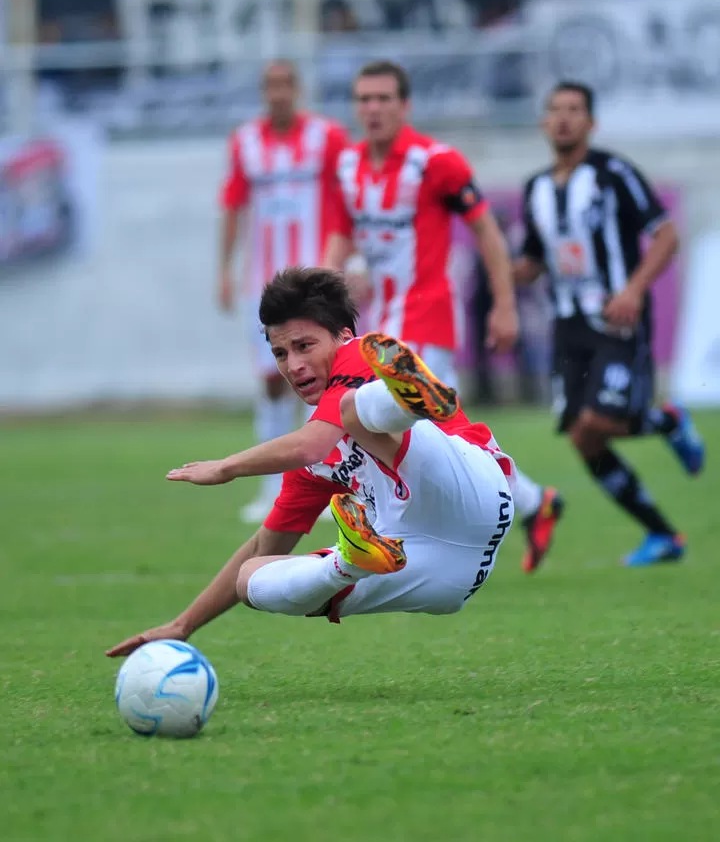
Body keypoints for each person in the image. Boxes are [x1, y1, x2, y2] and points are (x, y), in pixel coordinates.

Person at [106, 268, 515, 658]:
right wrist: (183, 626)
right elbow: (264, 544)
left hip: (474, 493)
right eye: (280, 352)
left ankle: (407, 400)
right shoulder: (312, 467)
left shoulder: (357, 353)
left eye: (304, 346)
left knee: (354, 409)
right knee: (251, 577)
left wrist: (226, 466)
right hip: (435, 569)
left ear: (342, 335)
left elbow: (311, 445)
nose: (293, 365)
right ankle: (349, 561)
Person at [323, 59, 563, 573]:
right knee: (435, 431)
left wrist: (503, 304)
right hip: (377, 322)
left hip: (426, 320)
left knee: (421, 428)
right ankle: (532, 501)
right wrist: (325, 288)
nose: (373, 108)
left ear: (404, 106)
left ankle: (382, 522)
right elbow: (341, 237)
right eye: (364, 99)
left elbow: (486, 233)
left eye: (384, 98)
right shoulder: (348, 166)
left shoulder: (436, 161)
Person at [515, 81, 705, 567]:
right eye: (554, 110)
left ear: (591, 123)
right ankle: (664, 536)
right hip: (567, 325)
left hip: (615, 318)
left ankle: (667, 420)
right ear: (543, 122)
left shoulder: (614, 173)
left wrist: (634, 289)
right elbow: (535, 258)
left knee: (600, 419)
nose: (563, 118)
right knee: (583, 436)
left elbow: (665, 235)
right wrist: (505, 275)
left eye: (574, 110)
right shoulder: (535, 188)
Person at [219, 60, 348, 522]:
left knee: (333, 377)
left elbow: (348, 197)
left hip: (317, 281)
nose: (277, 93)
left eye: (285, 84)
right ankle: (273, 487)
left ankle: (339, 485)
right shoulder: (246, 143)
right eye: (270, 85)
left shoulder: (327, 138)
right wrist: (224, 269)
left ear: (297, 88)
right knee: (274, 380)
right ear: (263, 91)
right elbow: (233, 205)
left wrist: (347, 262)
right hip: (265, 282)